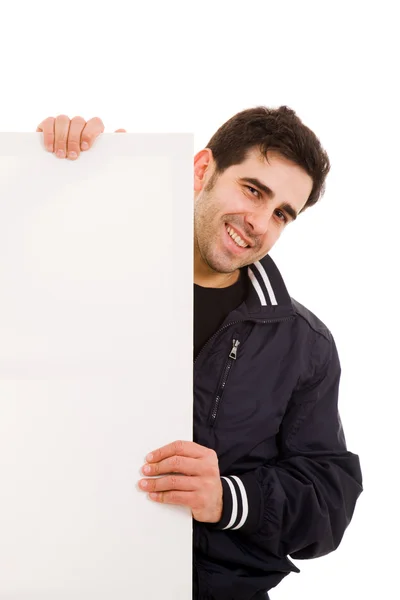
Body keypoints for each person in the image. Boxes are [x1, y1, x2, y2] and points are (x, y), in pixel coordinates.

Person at [37, 108, 363, 600]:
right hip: (73, 575)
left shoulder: (303, 344)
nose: (258, 224)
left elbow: (328, 502)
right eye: (253, 190)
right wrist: (64, 180)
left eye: (281, 214)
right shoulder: (93, 272)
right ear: (201, 169)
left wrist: (228, 498)